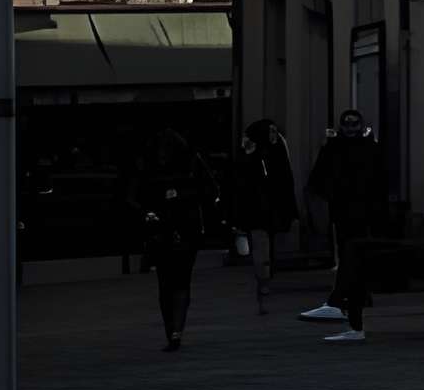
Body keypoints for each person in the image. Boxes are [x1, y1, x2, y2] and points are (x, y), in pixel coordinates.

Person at [304, 109, 386, 340]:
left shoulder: (335, 149)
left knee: (351, 258)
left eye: (353, 124)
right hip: (357, 213)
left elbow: (317, 180)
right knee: (354, 259)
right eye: (348, 124)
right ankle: (348, 307)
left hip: (348, 212)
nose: (351, 128)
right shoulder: (368, 149)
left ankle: (341, 303)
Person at [137, 132, 214, 351]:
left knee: (171, 282)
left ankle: (173, 330)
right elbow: (209, 190)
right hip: (178, 228)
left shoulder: (159, 168)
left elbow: (208, 189)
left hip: (175, 228)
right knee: (176, 282)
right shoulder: (187, 164)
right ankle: (174, 330)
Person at [229, 119, 301, 314]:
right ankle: (264, 278)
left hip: (264, 208)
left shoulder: (260, 151)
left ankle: (265, 278)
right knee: (265, 247)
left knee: (265, 247)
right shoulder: (269, 150)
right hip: (263, 209)